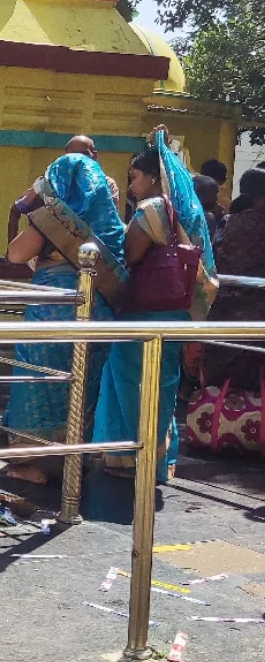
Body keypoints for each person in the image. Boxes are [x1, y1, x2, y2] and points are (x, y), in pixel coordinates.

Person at [92, 131, 217, 482]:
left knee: (133, 382)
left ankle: (135, 457)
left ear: (152, 177)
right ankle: (157, 458)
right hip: (174, 310)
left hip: (146, 311)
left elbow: (130, 255)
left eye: (134, 178)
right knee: (163, 383)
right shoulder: (181, 209)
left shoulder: (152, 209)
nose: (131, 186)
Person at [0, 152, 128, 484]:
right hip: (98, 318)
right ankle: (73, 461)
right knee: (83, 386)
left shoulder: (55, 220)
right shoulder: (112, 226)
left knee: (40, 385)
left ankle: (35, 464)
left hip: (54, 318)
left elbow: (15, 254)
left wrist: (32, 219)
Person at [201, 167, 265, 388]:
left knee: (224, 391)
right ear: (260, 199)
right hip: (256, 324)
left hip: (222, 319)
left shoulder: (227, 221)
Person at [6, 135, 118, 243]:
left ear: (95, 155)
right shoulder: (49, 182)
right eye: (76, 155)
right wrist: (10, 252)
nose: (81, 159)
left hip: (87, 255)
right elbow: (15, 210)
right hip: (49, 257)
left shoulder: (107, 185)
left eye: (87, 153)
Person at [192, 172, 224, 244]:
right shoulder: (208, 218)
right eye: (215, 194)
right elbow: (215, 243)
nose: (216, 198)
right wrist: (219, 218)